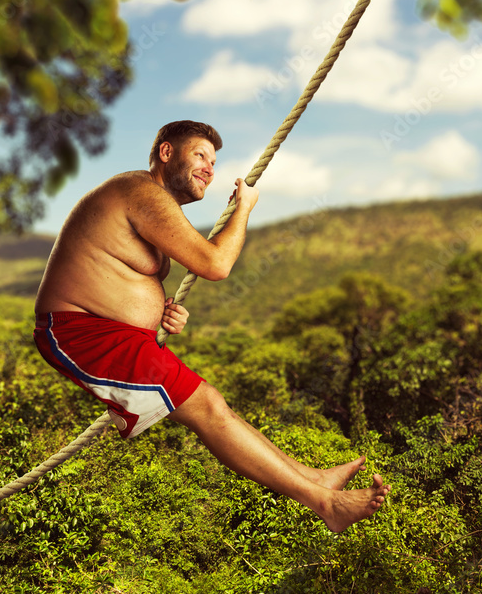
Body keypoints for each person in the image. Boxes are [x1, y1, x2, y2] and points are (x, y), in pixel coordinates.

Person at [33, 120, 389, 532]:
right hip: (77, 333)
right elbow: (215, 264)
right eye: (200, 155)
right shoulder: (141, 191)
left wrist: (158, 314)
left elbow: (117, 279)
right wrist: (245, 209)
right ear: (167, 153)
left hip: (109, 332)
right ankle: (325, 503)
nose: (209, 168)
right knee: (208, 408)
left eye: (214, 161)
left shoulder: (150, 203)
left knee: (214, 404)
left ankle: (316, 479)